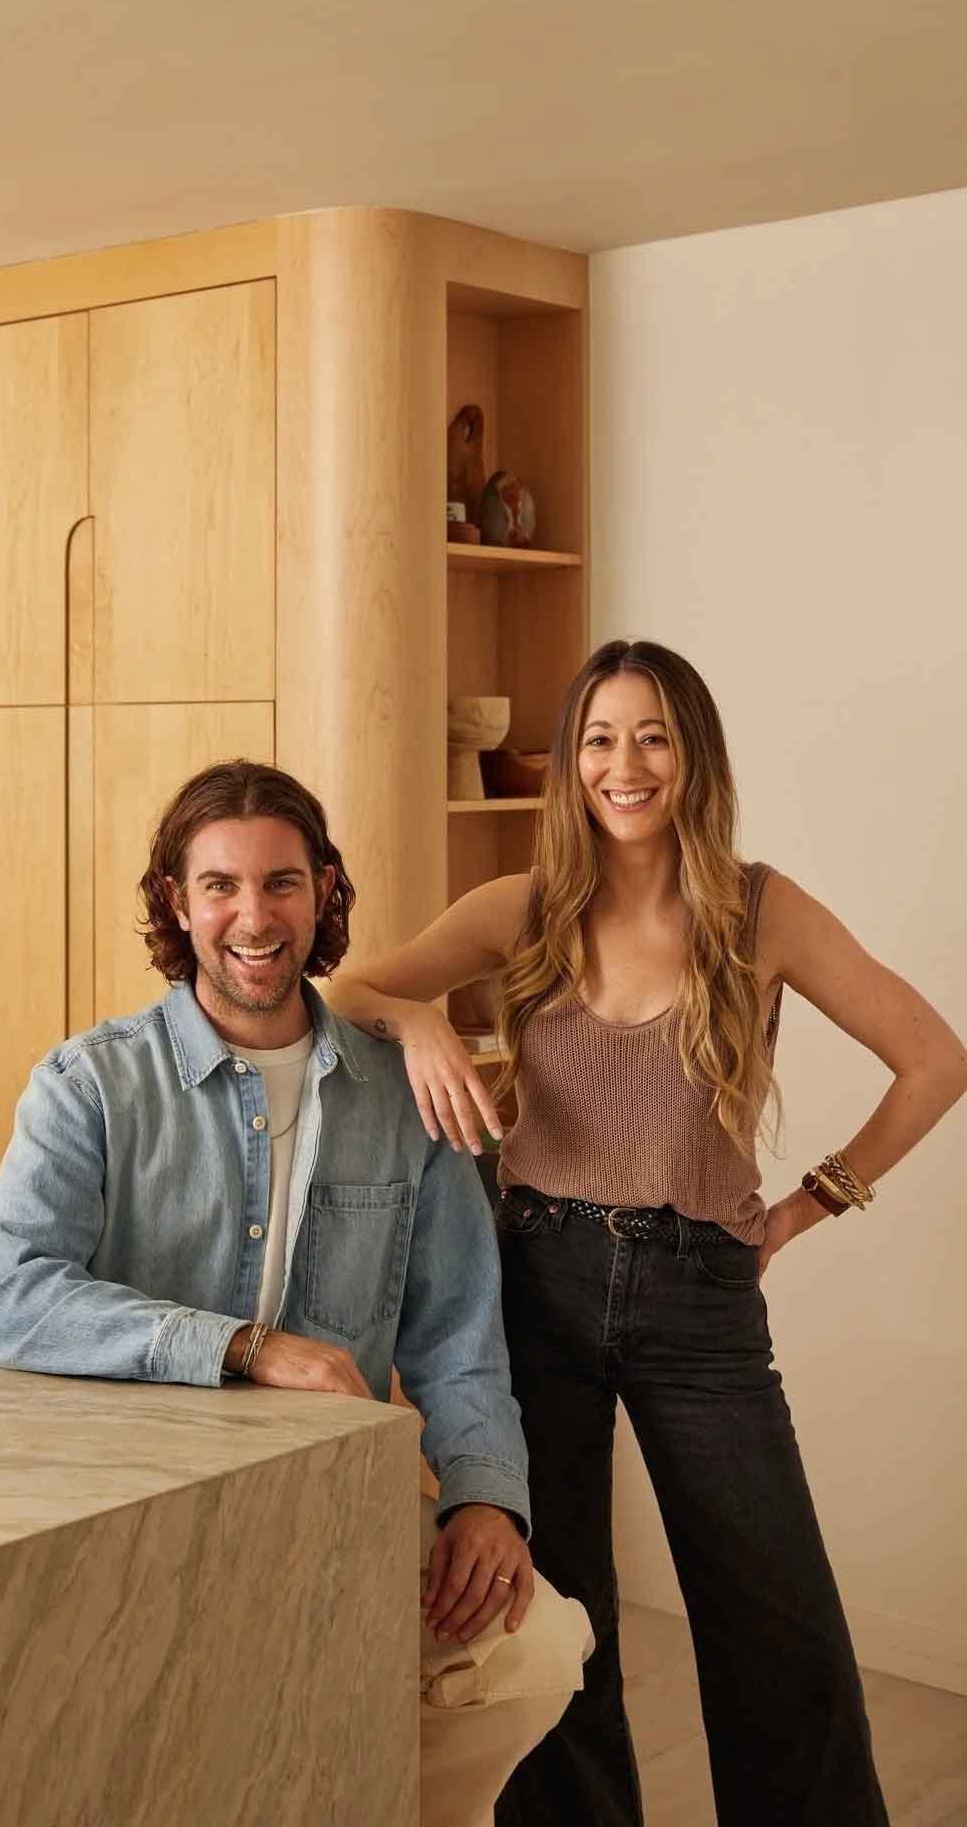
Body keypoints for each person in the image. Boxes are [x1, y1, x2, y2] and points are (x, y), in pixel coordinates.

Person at [329, 637, 967, 1826]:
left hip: (699, 1295)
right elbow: (344, 992)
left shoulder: (759, 907)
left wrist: (807, 1202)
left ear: (693, 755)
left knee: (776, 1618)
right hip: (537, 1278)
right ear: (573, 760)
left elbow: (935, 1059)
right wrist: (419, 1020)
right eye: (600, 737)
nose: (626, 763)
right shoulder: (519, 909)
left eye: (654, 734)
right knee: (555, 1611)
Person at [0, 759, 592, 1826]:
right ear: (176, 898)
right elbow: (12, 1295)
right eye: (219, 885)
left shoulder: (406, 1098)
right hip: (131, 1497)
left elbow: (456, 1340)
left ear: (324, 890)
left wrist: (484, 1494)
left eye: (281, 882)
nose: (252, 916)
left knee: (539, 1645)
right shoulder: (87, 1082)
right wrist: (247, 1346)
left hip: (337, 1490)